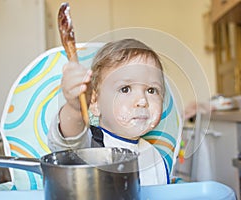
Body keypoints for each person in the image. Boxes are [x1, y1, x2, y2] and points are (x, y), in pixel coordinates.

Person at [48, 38, 169, 186]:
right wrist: (75, 108)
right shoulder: (90, 144)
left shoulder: (154, 157)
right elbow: (68, 140)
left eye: (152, 90)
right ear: (95, 103)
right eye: (125, 89)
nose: (142, 101)